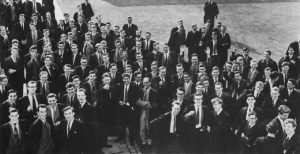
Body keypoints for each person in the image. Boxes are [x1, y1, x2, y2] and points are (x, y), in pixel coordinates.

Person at [137, 77, 157, 147]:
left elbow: (154, 104)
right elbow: (137, 101)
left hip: (150, 112)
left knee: (149, 127)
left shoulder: (154, 91)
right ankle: (143, 141)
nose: (145, 84)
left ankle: (149, 141)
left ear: (150, 83)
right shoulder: (140, 90)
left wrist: (143, 103)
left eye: (147, 82)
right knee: (142, 127)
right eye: (144, 82)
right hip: (142, 112)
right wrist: (145, 103)